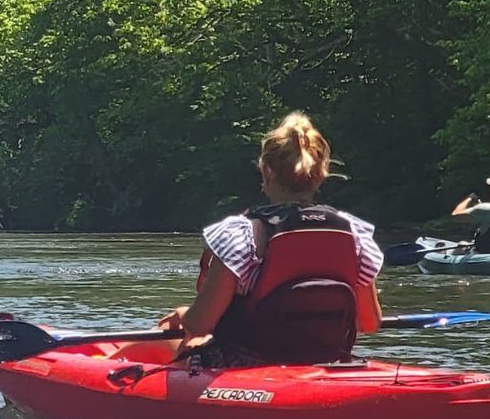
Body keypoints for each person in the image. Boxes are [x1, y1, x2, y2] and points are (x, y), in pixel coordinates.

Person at [147, 112, 384, 366]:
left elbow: (200, 324)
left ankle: (106, 378)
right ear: (321, 173)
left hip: (245, 365)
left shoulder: (241, 235)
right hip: (324, 362)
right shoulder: (354, 234)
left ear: (266, 171)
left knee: (167, 339)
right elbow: (369, 323)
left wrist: (183, 316)